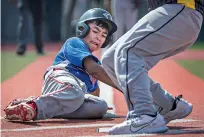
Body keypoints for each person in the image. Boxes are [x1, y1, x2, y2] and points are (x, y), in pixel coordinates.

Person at [101, 0, 203, 135]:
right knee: (110, 60)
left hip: (181, 10)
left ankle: (145, 114)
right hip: (170, 14)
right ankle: (167, 105)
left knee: (128, 51)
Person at [4, 8, 119, 121]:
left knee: (100, 106)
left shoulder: (95, 63)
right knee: (75, 92)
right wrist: (124, 86)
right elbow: (95, 71)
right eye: (95, 31)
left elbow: (94, 93)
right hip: (61, 78)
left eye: (104, 35)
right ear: (82, 29)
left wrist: (96, 105)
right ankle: (34, 106)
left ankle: (43, 107)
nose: (99, 37)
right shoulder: (75, 42)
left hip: (72, 95)